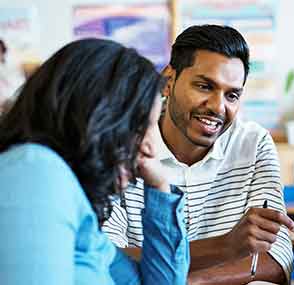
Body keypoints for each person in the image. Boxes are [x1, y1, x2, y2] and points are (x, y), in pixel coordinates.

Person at [101, 25, 294, 284]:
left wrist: (190, 282)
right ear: (168, 81)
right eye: (204, 86)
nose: (218, 107)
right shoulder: (122, 145)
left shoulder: (253, 143)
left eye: (232, 95)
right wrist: (226, 246)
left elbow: (277, 260)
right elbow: (107, 259)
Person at [0, 38, 189, 284]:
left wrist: (160, 187)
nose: (151, 147)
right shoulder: (35, 170)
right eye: (141, 126)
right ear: (98, 118)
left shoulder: (73, 202)